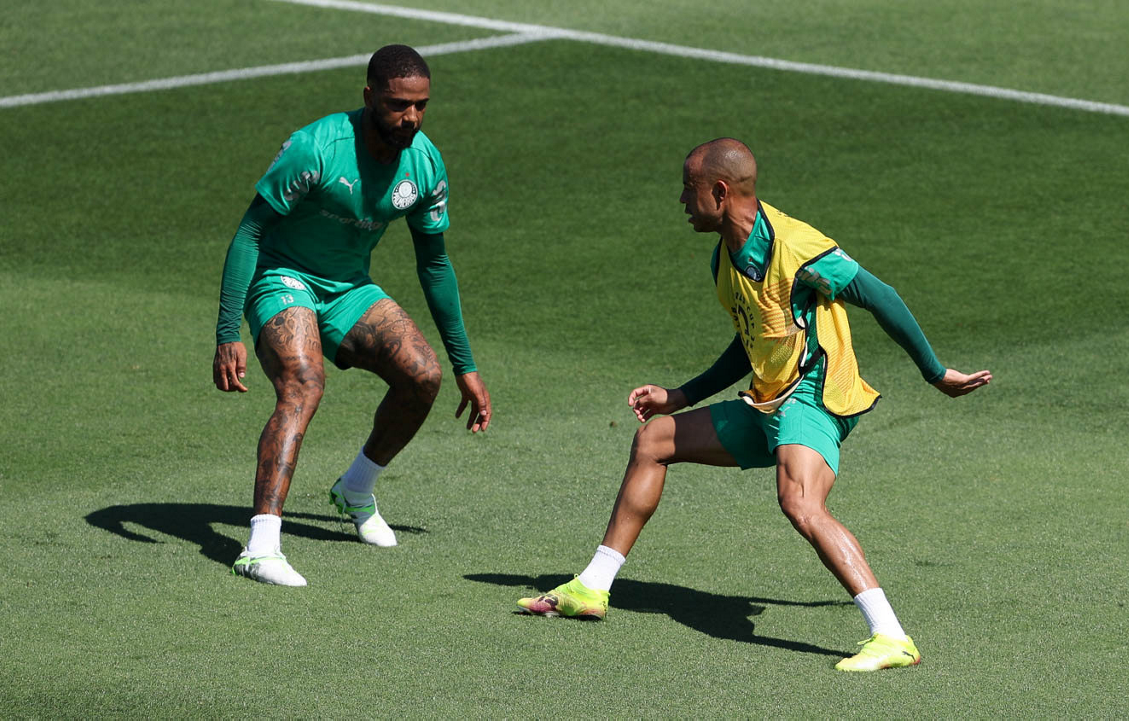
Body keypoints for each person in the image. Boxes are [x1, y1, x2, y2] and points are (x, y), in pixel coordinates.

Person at [517, 138, 991, 671]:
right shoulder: (725, 256)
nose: (682, 200)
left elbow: (880, 295)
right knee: (654, 440)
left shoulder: (798, 249)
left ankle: (891, 637)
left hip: (813, 396)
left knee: (800, 503)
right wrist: (680, 396)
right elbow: (752, 339)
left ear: (720, 192)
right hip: (767, 401)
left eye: (689, 189)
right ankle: (593, 586)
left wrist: (935, 372)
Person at [212, 44, 491, 587]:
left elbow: (434, 265)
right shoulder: (316, 148)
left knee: (423, 376)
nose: (411, 118)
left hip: (348, 289)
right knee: (304, 382)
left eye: (421, 105)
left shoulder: (425, 163)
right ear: (369, 96)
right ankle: (260, 546)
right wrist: (228, 331)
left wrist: (466, 365)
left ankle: (356, 488)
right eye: (397, 104)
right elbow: (249, 232)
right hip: (282, 275)